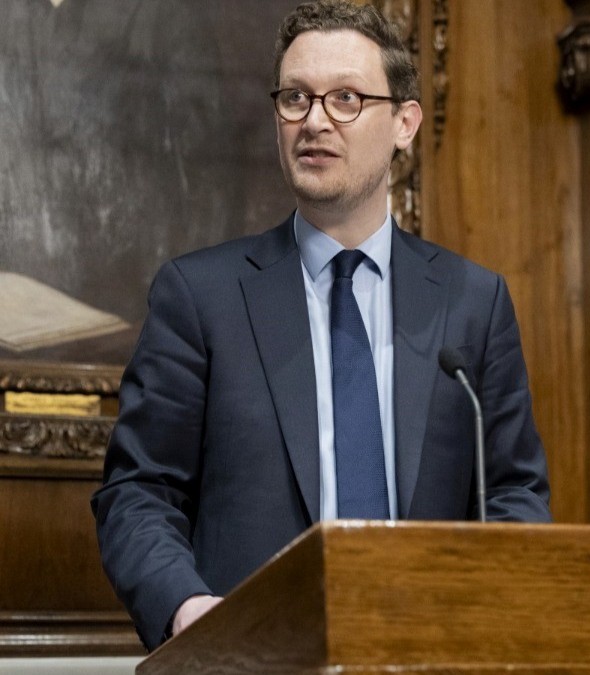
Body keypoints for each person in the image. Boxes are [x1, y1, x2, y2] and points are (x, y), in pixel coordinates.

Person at [91, 0, 551, 651]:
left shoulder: (473, 301)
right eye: (296, 98)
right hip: (250, 657)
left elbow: (514, 496)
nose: (313, 121)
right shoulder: (200, 296)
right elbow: (139, 490)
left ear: (404, 122)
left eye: (344, 99)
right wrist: (189, 609)